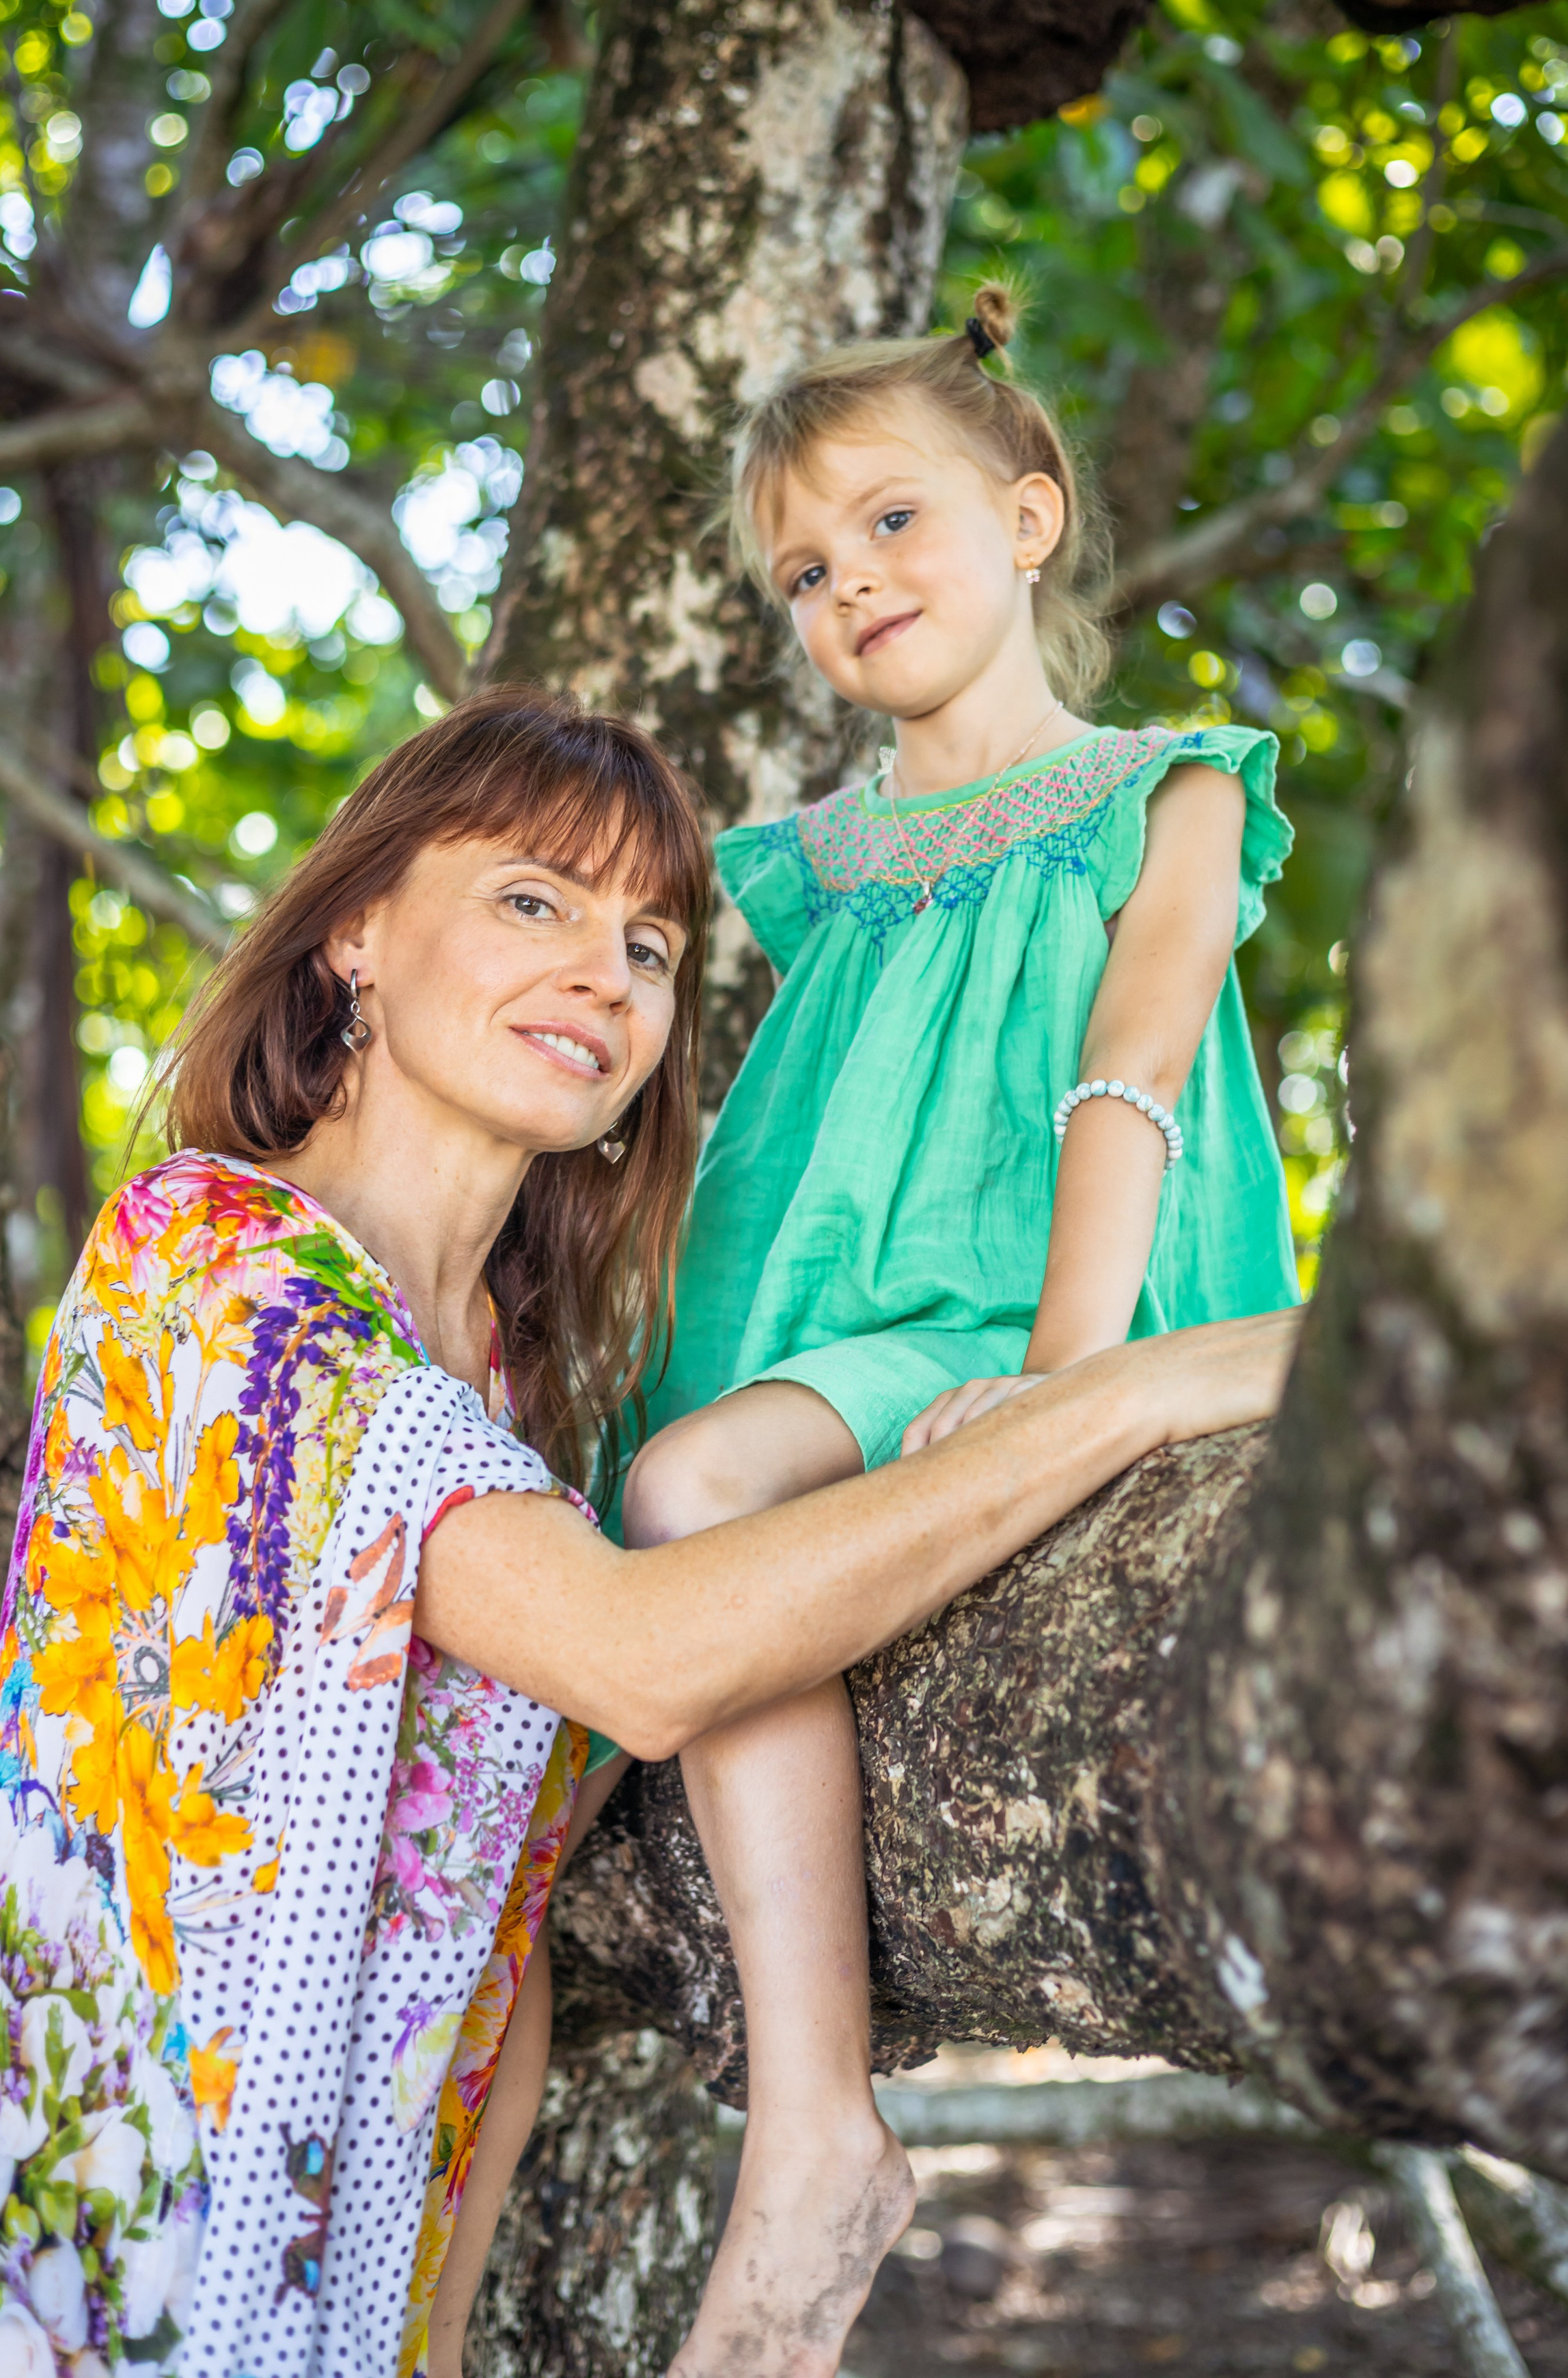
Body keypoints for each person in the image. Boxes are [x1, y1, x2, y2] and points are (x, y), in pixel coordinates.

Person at [0, 687, 1295, 2378]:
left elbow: (480, 1934)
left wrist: (431, 2337)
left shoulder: (518, 1414)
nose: (608, 973)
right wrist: (1115, 1396)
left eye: (652, 945)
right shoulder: (211, 1261)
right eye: (534, 901)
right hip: (91, 2284)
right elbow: (642, 1656)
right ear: (356, 938)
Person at [614, 283, 1303, 2375]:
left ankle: (815, 2126)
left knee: (695, 1487)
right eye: (808, 574)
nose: (852, 590)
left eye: (894, 527)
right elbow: (773, 1158)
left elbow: (1136, 1063)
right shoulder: (814, 864)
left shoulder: (1161, 788)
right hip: (824, 1329)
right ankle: (816, 2110)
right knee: (670, 1478)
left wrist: (1065, 1365)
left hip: (1035, 1307)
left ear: (1028, 517)